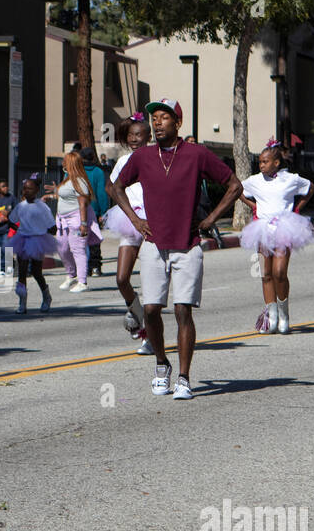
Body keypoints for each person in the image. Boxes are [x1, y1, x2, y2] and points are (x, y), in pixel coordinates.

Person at [105, 98, 242, 400]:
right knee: (152, 310)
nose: (157, 123)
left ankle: (183, 377)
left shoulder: (197, 154)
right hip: (154, 244)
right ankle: (161, 364)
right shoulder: (142, 157)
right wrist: (136, 219)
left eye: (164, 117)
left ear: (177, 123)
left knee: (182, 311)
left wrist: (209, 219)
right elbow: (113, 187)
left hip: (187, 245)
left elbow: (234, 185)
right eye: (154, 118)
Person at [238, 139, 314, 335]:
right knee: (266, 274)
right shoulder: (255, 181)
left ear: (276, 163)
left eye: (265, 162)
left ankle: (284, 313)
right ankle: (271, 317)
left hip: (283, 227)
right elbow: (238, 190)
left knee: (280, 272)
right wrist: (253, 206)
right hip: (263, 229)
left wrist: (298, 208)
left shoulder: (290, 179)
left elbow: (310, 187)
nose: (261, 165)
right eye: (260, 162)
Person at [104, 117, 153, 354]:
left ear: (149, 137)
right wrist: (126, 207)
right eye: (131, 135)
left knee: (151, 281)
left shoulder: (156, 158)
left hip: (155, 223)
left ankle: (149, 335)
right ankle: (136, 311)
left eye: (139, 135)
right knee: (122, 279)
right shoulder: (123, 160)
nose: (134, 139)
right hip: (130, 221)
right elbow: (110, 187)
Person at [55, 150, 102, 292]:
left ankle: (82, 282)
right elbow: (65, 196)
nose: (62, 162)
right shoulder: (67, 178)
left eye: (65, 160)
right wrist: (53, 193)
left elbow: (83, 204)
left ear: (71, 163)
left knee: (78, 250)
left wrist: (83, 224)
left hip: (76, 219)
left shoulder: (80, 181)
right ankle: (71, 275)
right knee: (62, 248)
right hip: (63, 220)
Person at [7, 178, 57, 314]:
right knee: (22, 272)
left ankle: (46, 295)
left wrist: (41, 231)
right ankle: (22, 302)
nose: (26, 191)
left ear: (36, 190)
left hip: (37, 240)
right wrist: (20, 230)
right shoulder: (21, 206)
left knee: (36, 271)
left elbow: (53, 228)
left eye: (29, 188)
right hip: (23, 239)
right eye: (24, 188)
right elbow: (11, 220)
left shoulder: (42, 207)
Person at [80, 147, 110, 278]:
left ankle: (82, 267)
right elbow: (102, 193)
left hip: (77, 210)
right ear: (93, 157)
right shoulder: (98, 172)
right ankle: (95, 267)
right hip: (94, 209)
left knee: (80, 240)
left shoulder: (76, 171)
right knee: (94, 239)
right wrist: (103, 211)